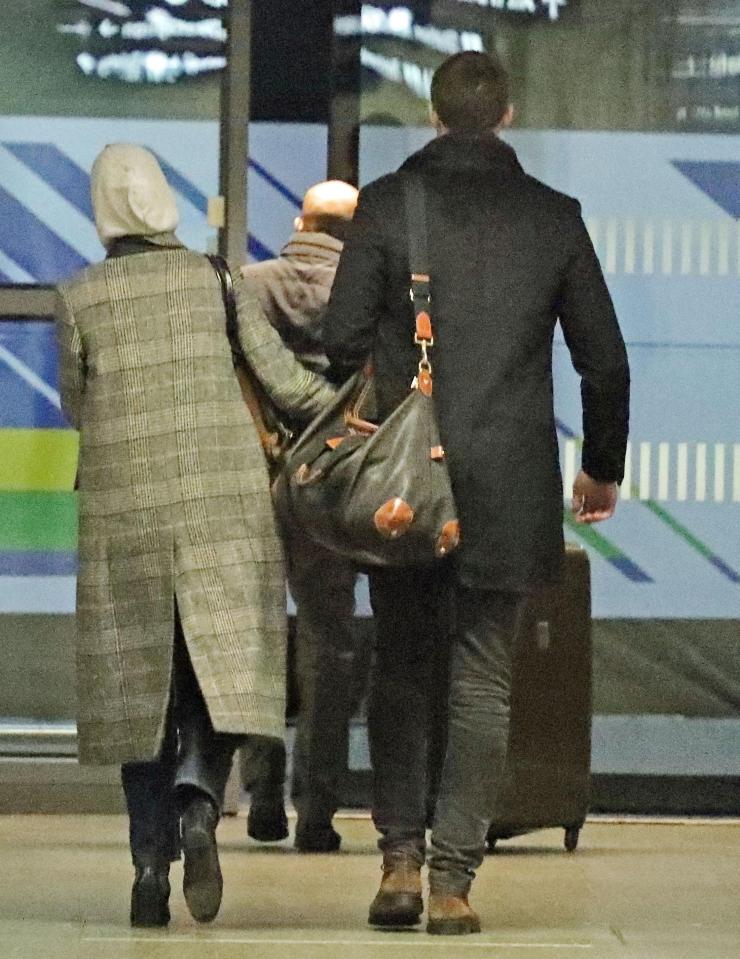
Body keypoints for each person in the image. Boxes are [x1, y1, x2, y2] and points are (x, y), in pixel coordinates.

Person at [323, 52, 630, 935]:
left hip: (403, 486)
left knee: (401, 666)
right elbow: (603, 361)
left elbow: (343, 337)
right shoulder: (554, 218)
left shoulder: (385, 203)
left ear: (432, 114)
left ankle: (397, 864)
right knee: (483, 681)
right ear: (507, 114)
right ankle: (455, 883)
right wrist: (599, 466)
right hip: (506, 481)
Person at [55, 144, 336, 928]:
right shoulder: (215, 277)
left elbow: (80, 404)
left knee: (139, 690)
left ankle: (149, 870)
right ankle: (201, 800)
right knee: (223, 671)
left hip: (126, 511)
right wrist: (356, 412)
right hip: (223, 504)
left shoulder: (79, 296)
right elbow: (281, 381)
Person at [239, 180, 364, 853]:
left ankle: (262, 792)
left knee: (261, 632)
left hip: (261, 477)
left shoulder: (251, 286)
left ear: (301, 222)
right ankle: (319, 810)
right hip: (335, 484)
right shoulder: (371, 293)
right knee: (330, 641)